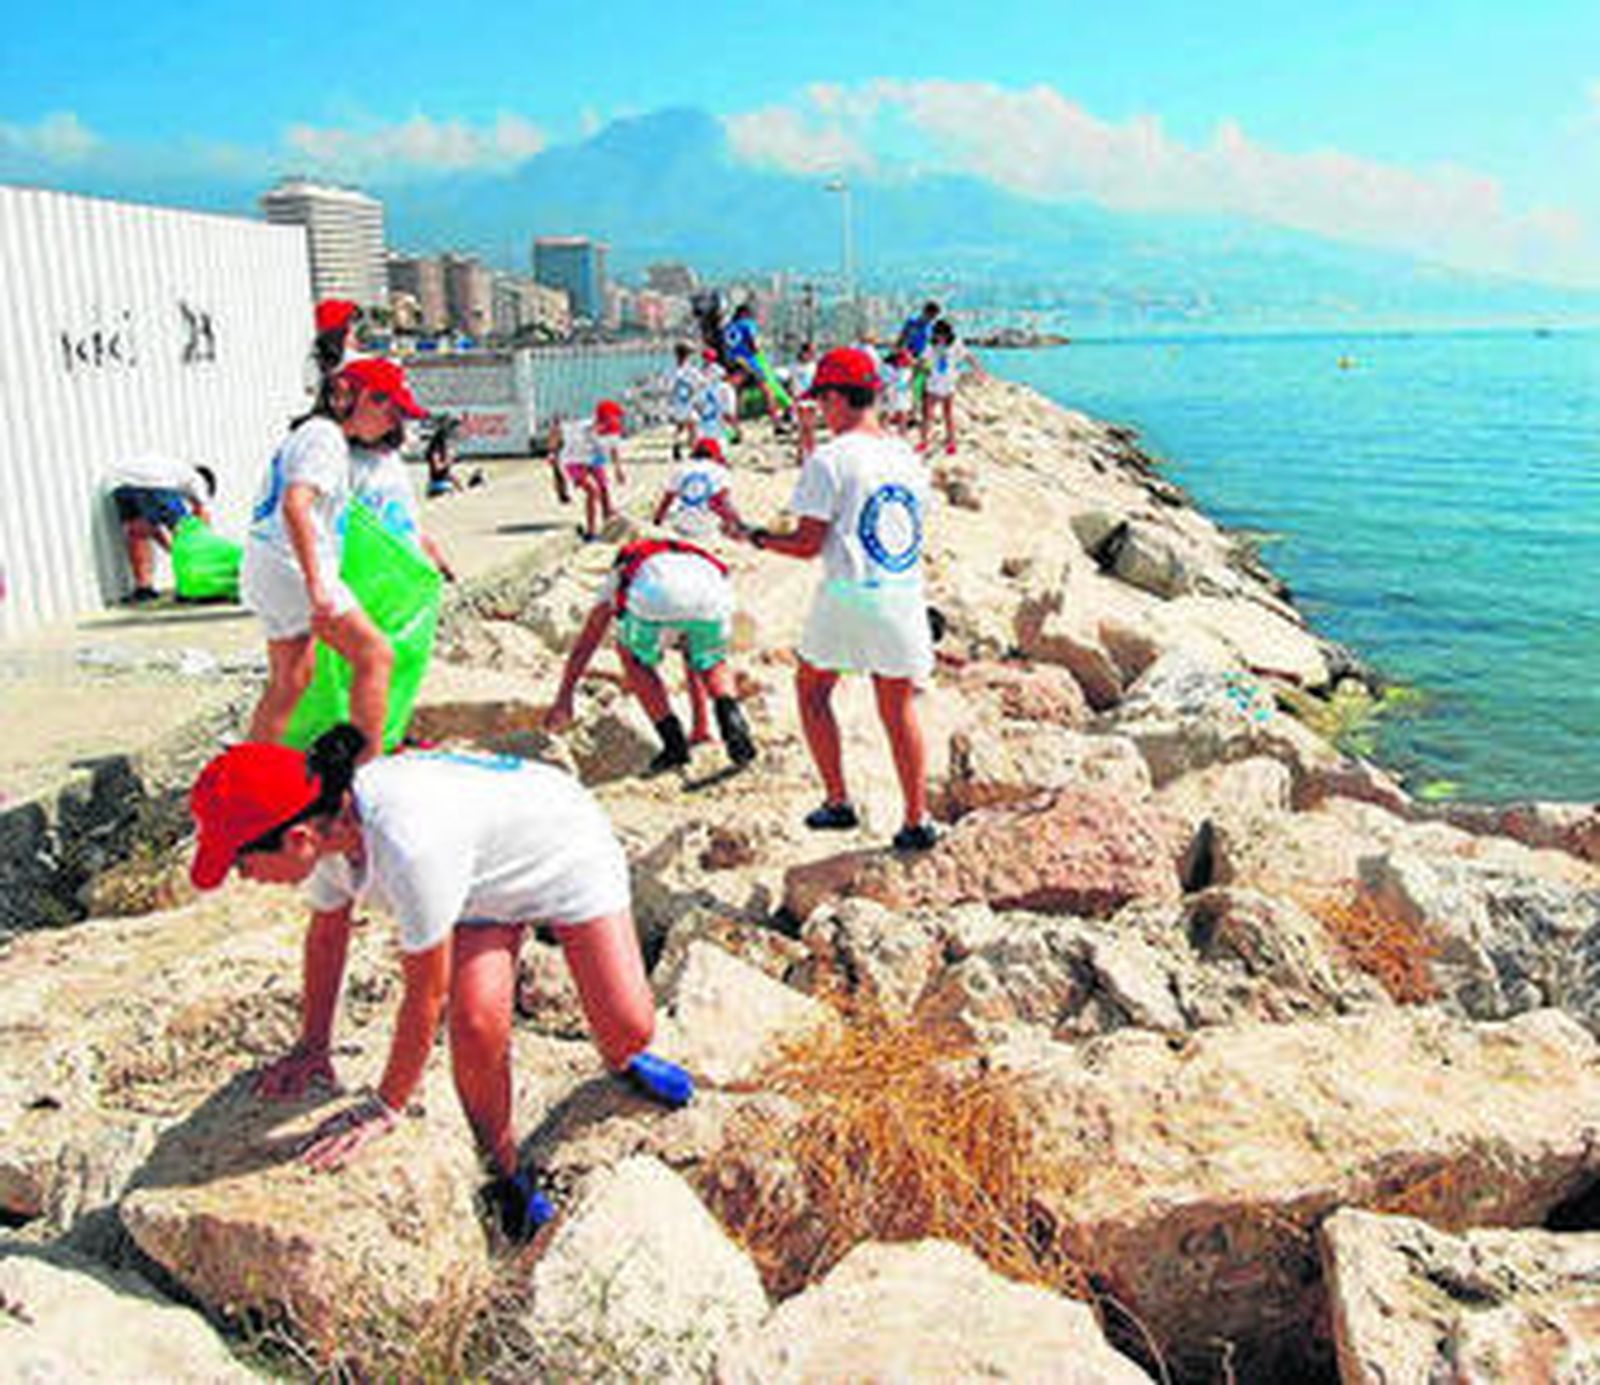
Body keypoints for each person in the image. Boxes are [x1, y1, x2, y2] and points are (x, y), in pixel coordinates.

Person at [187, 725, 694, 1242]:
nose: (242, 877)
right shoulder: (320, 829)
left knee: (629, 1028)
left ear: (296, 839)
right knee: (475, 1023)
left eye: (241, 863)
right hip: (477, 883)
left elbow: (425, 995)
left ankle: (623, 1058)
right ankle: (505, 1170)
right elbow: (326, 940)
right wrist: (312, 1047)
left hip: (561, 849)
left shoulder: (408, 842)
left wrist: (385, 1106)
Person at [745, 347, 937, 851]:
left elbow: (808, 545)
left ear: (835, 397)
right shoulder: (907, 455)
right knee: (898, 709)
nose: (820, 412)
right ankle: (917, 819)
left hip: (851, 593)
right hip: (903, 593)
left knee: (812, 688)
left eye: (822, 401)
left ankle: (837, 802)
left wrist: (758, 538)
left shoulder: (831, 459)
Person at [241, 357, 422, 757]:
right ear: (345, 395)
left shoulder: (310, 435)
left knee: (292, 678)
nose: (393, 422)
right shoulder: (325, 437)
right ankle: (364, 777)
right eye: (386, 407)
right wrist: (316, 584)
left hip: (266, 564)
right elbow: (295, 504)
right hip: (292, 564)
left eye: (398, 413)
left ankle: (250, 777)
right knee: (375, 656)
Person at [546, 538, 757, 772]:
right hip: (712, 598)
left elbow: (588, 641)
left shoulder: (623, 572)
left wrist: (564, 697)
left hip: (656, 601)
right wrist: (700, 728)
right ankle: (733, 720)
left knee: (632, 656)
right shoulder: (692, 559)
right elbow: (694, 657)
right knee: (710, 659)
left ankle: (673, 743)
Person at [104, 453, 217, 602]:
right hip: (155, 485)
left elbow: (154, 529)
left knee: (139, 532)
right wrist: (198, 547)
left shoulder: (170, 469)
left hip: (121, 485)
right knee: (186, 532)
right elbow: (202, 517)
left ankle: (144, 589)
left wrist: (173, 549)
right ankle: (195, 585)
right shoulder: (195, 478)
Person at [350, 427, 456, 581]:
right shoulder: (351, 463)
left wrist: (436, 558)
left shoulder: (393, 461)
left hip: (407, 575)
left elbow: (410, 523)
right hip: (373, 576)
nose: (399, 422)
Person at [548, 400, 626, 541]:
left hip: (594, 459)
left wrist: (618, 469)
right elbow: (556, 432)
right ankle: (591, 532)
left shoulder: (613, 430)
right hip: (573, 460)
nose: (618, 421)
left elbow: (614, 449)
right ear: (602, 419)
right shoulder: (580, 428)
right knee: (592, 491)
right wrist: (552, 453)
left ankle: (608, 517)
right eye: (614, 418)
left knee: (603, 487)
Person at [652, 436, 744, 543]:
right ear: (715, 455)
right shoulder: (721, 471)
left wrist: (657, 521)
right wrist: (737, 525)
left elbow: (667, 500)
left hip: (680, 526)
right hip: (709, 528)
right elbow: (723, 503)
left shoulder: (681, 469)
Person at [920, 318, 981, 456]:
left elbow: (968, 356)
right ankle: (924, 441)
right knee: (927, 414)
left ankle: (951, 443)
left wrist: (978, 370)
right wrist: (919, 369)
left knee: (948, 415)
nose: (940, 337)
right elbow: (923, 360)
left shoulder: (955, 344)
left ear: (948, 334)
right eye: (937, 334)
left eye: (943, 334)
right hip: (933, 383)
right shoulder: (931, 345)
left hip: (948, 383)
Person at [722, 303, 782, 426]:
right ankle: (776, 422)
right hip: (748, 362)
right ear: (744, 314)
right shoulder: (747, 324)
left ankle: (734, 427)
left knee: (735, 395)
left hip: (732, 362)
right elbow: (754, 344)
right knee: (767, 391)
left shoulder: (728, 327)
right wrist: (758, 351)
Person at [665, 342, 703, 461]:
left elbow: (668, 387)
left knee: (679, 426)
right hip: (689, 402)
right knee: (693, 426)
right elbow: (700, 383)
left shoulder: (671, 370)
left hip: (677, 403)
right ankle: (693, 450)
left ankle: (676, 445)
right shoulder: (691, 370)